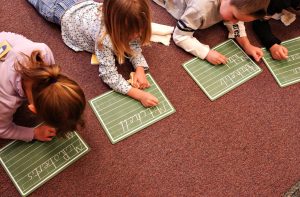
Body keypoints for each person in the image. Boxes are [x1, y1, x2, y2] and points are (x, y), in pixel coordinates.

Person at [27, 0, 159, 107]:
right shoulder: (104, 39)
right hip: (55, 9)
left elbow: (133, 45)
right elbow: (109, 76)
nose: (137, 35)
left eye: (140, 30)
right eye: (131, 33)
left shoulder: (126, 20)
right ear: (114, 26)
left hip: (79, 5)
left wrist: (139, 69)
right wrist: (139, 95)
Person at [0, 32, 86, 142]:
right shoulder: (6, 100)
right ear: (33, 109)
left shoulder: (43, 52)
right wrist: (34, 133)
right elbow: (2, 129)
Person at [153, 0, 270, 65]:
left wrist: (246, 45)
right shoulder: (201, 9)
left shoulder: (233, 6)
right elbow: (180, 36)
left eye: (239, 19)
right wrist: (206, 53)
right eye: (234, 16)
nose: (234, 22)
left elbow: (235, 22)